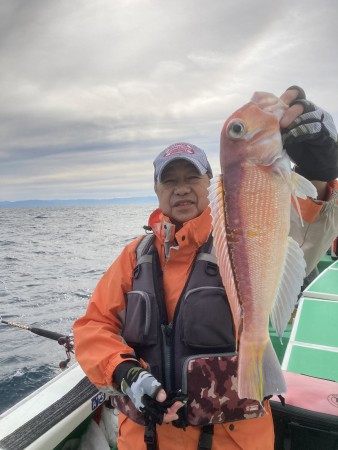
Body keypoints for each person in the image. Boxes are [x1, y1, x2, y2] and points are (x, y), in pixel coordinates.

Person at [73, 86, 338, 450]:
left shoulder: (238, 238)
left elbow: (308, 227)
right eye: (170, 180)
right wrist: (124, 372)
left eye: (191, 178)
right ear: (156, 190)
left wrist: (320, 171)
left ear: (211, 183)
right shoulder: (135, 257)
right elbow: (92, 327)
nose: (181, 189)